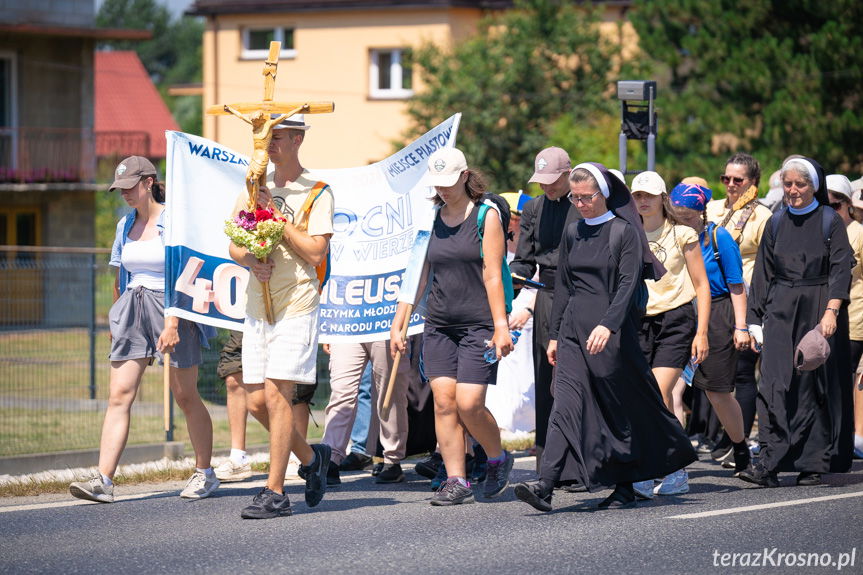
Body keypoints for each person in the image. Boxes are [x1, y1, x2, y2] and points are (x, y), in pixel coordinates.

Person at [513, 162, 696, 512]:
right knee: (563, 405)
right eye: (575, 198)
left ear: (604, 194)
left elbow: (628, 285)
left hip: (611, 334)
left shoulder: (624, 231)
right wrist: (554, 336)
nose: (580, 204)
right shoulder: (573, 232)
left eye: (586, 197)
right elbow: (564, 285)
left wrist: (608, 325)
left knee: (616, 409)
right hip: (571, 333)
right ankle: (546, 485)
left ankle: (625, 485)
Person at [69, 156, 218, 503]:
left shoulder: (174, 222)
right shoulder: (124, 226)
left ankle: (205, 473)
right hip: (133, 307)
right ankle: (103, 480)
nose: (124, 194)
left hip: (172, 307)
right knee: (119, 394)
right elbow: (120, 272)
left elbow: (188, 273)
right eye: (119, 189)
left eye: (129, 187)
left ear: (149, 183)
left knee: (185, 395)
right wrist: (117, 313)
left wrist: (174, 321)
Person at [390, 147, 515, 506]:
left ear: (465, 176)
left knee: (469, 403)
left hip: (479, 325)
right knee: (444, 404)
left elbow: (493, 273)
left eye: (449, 183)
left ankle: (496, 458)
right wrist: (399, 323)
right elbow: (416, 273)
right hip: (439, 325)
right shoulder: (430, 219)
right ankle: (457, 479)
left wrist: (500, 326)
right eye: (438, 184)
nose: (443, 190)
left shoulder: (485, 215)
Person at [228, 114, 333, 518]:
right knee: (256, 401)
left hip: (297, 303)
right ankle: (311, 459)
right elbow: (233, 245)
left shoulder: (318, 191)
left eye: (276, 137)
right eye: (265, 136)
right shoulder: (253, 187)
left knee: (277, 395)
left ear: (296, 140)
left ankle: (275, 491)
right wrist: (252, 258)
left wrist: (278, 220)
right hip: (259, 305)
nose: (268, 144)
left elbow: (315, 251)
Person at [740, 157, 854, 488]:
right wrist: (754, 319)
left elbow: (840, 268)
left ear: (813, 187)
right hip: (779, 307)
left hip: (817, 304)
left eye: (800, 184)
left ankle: (811, 463)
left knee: (811, 386)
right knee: (773, 384)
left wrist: (832, 310)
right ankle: (769, 461)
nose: (793, 190)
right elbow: (763, 273)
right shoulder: (775, 223)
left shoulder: (829, 220)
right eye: (788, 184)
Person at [630, 170, 710, 496]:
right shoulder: (627, 233)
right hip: (639, 321)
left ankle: (667, 468)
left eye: (649, 195)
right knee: (642, 397)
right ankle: (662, 464)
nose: (643, 201)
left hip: (676, 320)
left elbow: (702, 286)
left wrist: (702, 332)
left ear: (662, 198)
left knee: (659, 394)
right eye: (637, 195)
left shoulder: (682, 234)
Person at [668, 183, 752, 475]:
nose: (682, 221)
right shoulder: (672, 236)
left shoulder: (719, 237)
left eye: (688, 216)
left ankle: (740, 447)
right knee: (669, 389)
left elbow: (736, 285)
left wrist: (741, 327)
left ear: (701, 213)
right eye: (676, 215)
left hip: (718, 311)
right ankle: (674, 459)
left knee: (717, 392)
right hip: (679, 312)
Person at [509, 147, 579, 467]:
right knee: (545, 378)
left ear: (568, 174)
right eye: (542, 182)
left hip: (580, 294)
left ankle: (579, 457)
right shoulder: (534, 208)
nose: (546, 187)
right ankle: (547, 456)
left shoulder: (583, 205)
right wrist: (506, 288)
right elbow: (523, 263)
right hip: (547, 295)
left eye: (552, 181)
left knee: (574, 378)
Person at [706, 152, 773, 461]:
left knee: (744, 372)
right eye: (726, 178)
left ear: (753, 182)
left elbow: (768, 263)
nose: (731, 185)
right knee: (717, 376)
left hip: (746, 295)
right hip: (713, 297)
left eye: (738, 180)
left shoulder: (763, 216)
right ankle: (726, 436)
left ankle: (739, 442)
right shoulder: (713, 209)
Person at [213, 330, 318, 482]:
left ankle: (298, 458)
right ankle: (238, 458)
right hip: (249, 316)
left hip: (288, 315)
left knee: (292, 384)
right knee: (238, 381)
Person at [322, 336, 416, 486]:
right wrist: (329, 329)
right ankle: (330, 460)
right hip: (347, 323)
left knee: (390, 394)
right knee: (341, 392)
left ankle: (392, 459)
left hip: (386, 323)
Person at [485, 191, 536, 438]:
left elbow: (542, 282)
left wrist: (527, 310)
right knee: (502, 375)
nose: (514, 221)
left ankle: (527, 422)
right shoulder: (497, 244)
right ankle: (502, 421)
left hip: (527, 316)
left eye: (518, 217)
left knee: (525, 372)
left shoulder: (531, 247)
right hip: (502, 315)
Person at [824, 175, 863, 459]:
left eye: (835, 204)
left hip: (855, 317)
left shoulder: (859, 233)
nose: (829, 210)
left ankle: (845, 441)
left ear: (848, 205)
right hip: (823, 316)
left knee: (843, 381)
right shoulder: (820, 228)